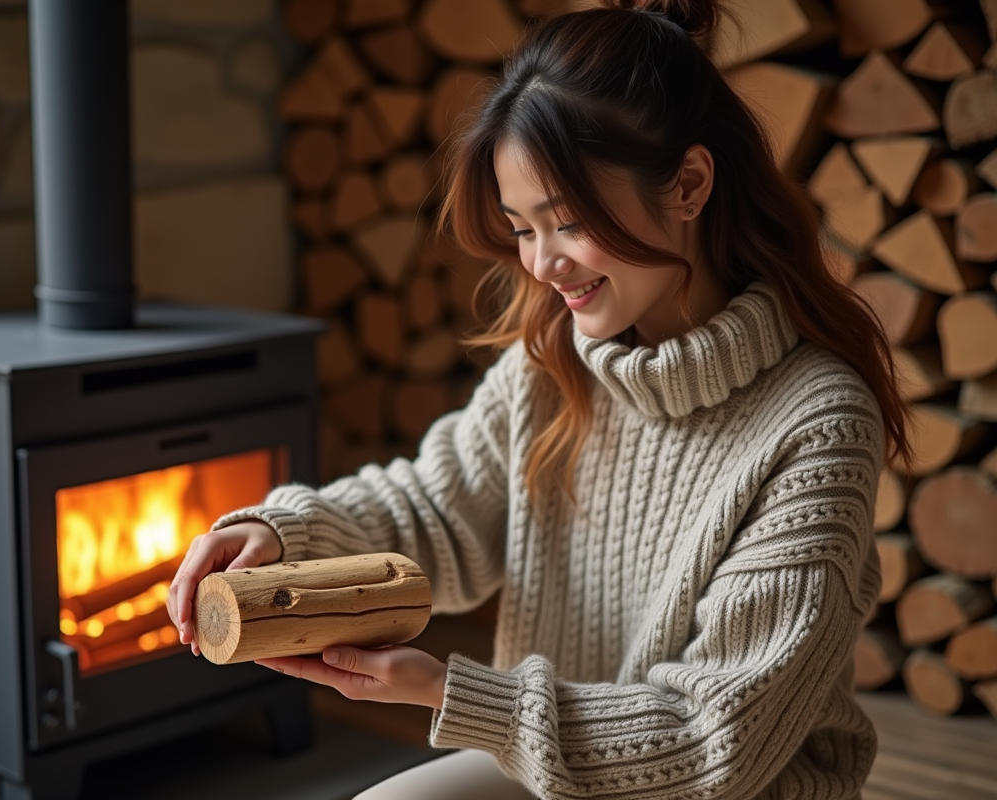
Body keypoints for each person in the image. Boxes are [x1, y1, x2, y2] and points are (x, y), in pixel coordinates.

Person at [167, 1, 913, 797]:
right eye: (523, 229)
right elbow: (436, 511)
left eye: (566, 222)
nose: (543, 265)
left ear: (690, 184)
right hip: (558, 769)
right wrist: (284, 536)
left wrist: (443, 692)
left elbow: (712, 746)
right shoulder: (556, 360)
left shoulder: (817, 421)